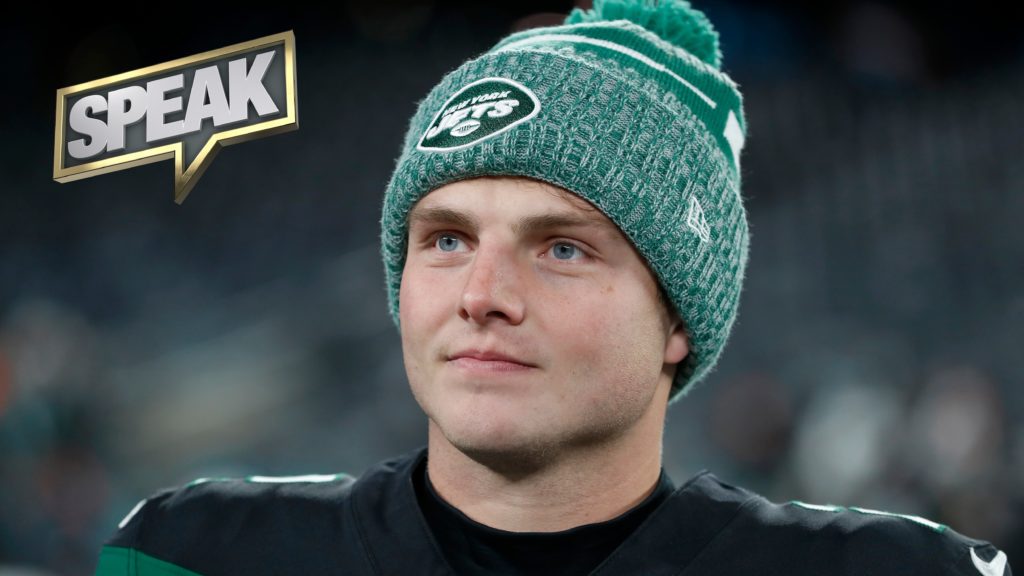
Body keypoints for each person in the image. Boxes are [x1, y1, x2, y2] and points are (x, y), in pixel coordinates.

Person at [93, 1, 1013, 575]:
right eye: (446, 239)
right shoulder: (190, 553)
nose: (482, 293)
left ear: (677, 319)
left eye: (563, 249)